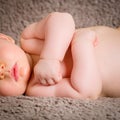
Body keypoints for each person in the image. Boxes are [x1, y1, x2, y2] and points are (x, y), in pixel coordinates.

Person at [20, 12, 120, 99]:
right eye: (2, 85)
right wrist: (82, 44)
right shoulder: (35, 89)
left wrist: (49, 58)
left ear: (5, 38)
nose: (3, 71)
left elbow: (63, 20)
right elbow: (87, 92)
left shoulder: (28, 40)